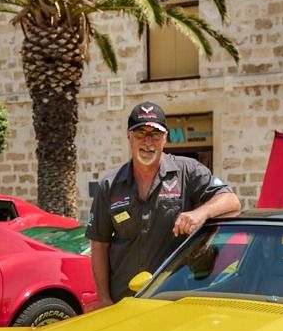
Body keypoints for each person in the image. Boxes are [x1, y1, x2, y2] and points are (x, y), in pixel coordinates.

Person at [87, 101, 241, 306]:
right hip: (123, 300)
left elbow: (232, 201)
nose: (148, 142)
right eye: (141, 133)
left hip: (172, 298)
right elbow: (99, 243)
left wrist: (200, 213)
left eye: (155, 135)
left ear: (165, 138)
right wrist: (104, 298)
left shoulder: (188, 172)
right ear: (128, 136)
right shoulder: (110, 185)